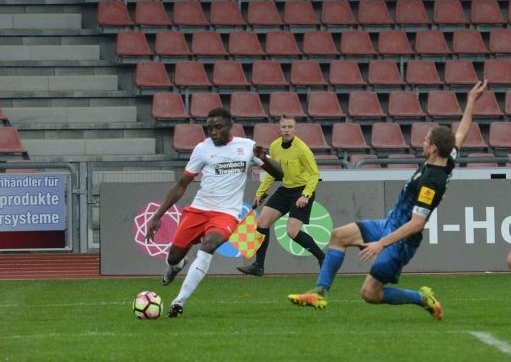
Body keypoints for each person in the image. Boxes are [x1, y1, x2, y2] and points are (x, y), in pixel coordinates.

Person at [288, 81, 489, 319]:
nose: (422, 143)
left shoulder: (431, 182)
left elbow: (416, 224)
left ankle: (421, 298)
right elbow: (462, 133)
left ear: (434, 148)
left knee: (370, 294)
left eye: (426, 140)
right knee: (339, 236)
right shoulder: (447, 156)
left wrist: (381, 243)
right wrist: (471, 102)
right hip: (389, 224)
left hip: (400, 241)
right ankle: (320, 292)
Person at [145, 108, 284, 318]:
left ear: (230, 126)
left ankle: (179, 301)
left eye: (218, 127)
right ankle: (175, 267)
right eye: (209, 128)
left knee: (209, 245)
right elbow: (182, 184)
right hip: (198, 210)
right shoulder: (202, 149)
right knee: (174, 257)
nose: (213, 132)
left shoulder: (247, 147)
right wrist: (158, 214)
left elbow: (280, 174)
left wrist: (263, 157)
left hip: (226, 214)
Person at [236, 115, 325, 277]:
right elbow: (273, 171)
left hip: (302, 190)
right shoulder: (275, 146)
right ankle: (259, 266)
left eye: (290, 127)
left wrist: (305, 195)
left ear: (295, 130)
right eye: (284, 127)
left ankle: (323, 258)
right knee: (262, 222)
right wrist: (261, 192)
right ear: (279, 129)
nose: (287, 130)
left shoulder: (302, 149)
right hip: (286, 189)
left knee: (292, 232)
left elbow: (314, 174)